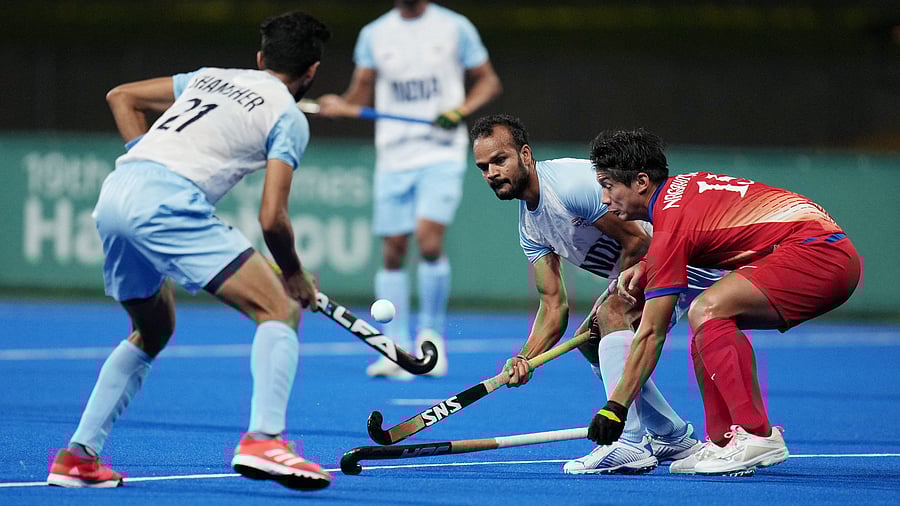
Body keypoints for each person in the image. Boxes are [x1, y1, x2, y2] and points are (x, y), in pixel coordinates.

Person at [46, 11, 333, 491]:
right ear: (313, 72)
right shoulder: (287, 116)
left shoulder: (212, 77)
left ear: (260, 58)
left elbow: (122, 96)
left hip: (118, 192)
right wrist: (295, 276)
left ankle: (78, 457)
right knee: (279, 308)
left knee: (153, 327)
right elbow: (272, 219)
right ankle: (265, 440)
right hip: (166, 202)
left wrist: (149, 154)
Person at [586, 128, 861, 476]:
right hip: (824, 250)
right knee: (707, 323)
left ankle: (756, 434)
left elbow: (651, 333)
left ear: (641, 181)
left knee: (708, 308)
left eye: (608, 185)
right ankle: (722, 441)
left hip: (820, 255)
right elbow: (711, 231)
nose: (605, 199)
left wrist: (616, 407)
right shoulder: (682, 191)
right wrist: (647, 265)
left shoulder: (670, 225)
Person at [470, 113, 723, 474]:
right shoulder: (530, 228)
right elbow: (554, 307)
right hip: (653, 265)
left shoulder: (569, 186)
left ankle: (628, 442)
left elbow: (638, 239)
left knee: (609, 317)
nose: (492, 173)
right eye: (483, 167)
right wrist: (524, 358)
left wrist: (612, 301)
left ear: (525, 155)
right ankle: (672, 435)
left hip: (687, 261)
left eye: (499, 160)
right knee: (590, 341)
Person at [316, 0, 502, 380]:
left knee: (428, 240)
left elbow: (489, 81)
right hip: (393, 157)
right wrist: (340, 105)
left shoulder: (455, 26)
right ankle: (394, 347)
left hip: (440, 154)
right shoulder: (374, 33)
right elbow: (360, 94)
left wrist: (461, 108)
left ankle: (432, 341)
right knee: (393, 249)